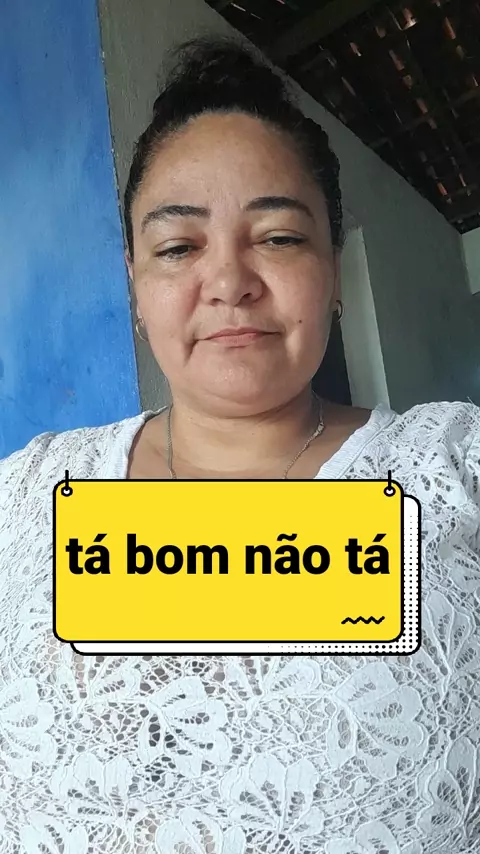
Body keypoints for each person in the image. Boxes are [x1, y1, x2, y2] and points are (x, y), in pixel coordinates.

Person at [0, 35, 479, 854]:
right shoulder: (25, 494)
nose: (228, 282)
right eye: (178, 247)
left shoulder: (453, 469)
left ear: (332, 270)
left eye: (279, 237)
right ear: (135, 283)